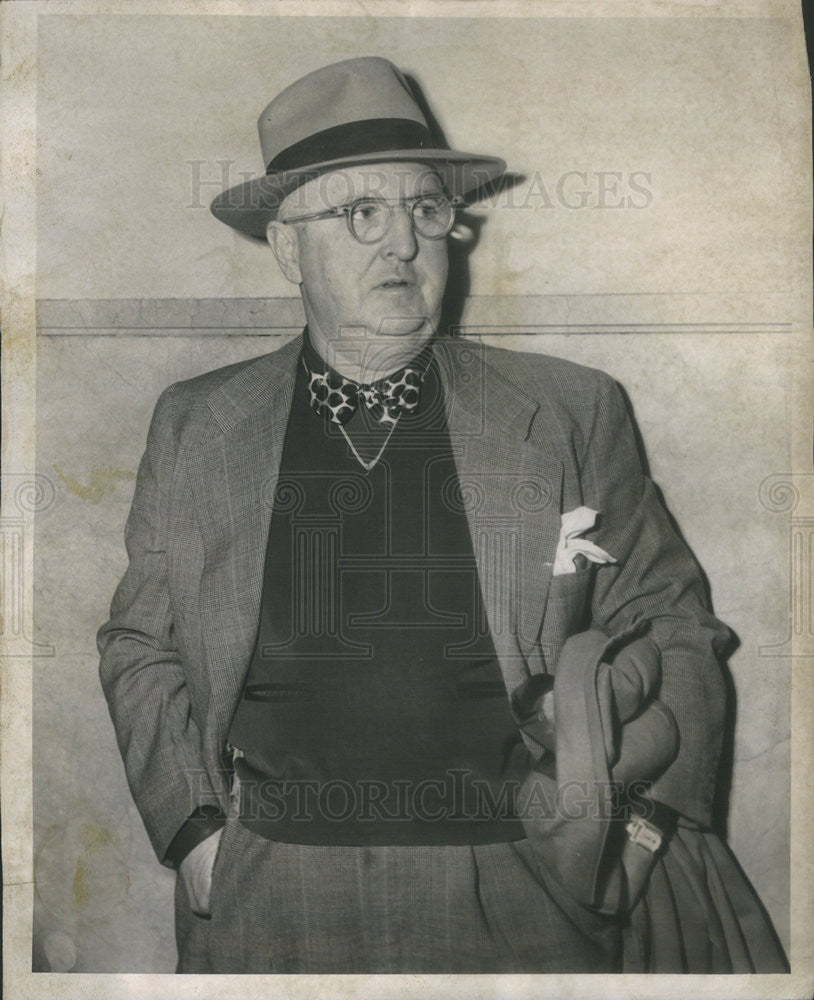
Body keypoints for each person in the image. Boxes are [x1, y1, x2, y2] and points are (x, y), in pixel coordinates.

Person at [98, 56, 788, 975]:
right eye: (360, 214)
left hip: (525, 890)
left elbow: (675, 624)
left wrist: (640, 832)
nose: (403, 246)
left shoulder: (571, 410)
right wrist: (192, 831)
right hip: (269, 893)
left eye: (426, 211)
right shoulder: (196, 423)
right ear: (288, 248)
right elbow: (139, 643)